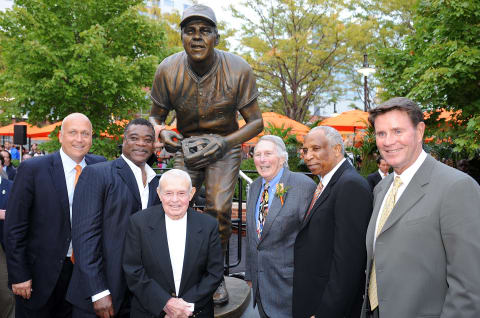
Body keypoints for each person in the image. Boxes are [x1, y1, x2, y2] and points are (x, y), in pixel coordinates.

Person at [148, 4, 263, 304]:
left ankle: (214, 278)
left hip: (225, 145)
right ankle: (177, 275)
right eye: (190, 31)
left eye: (204, 31)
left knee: (219, 209)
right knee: (172, 206)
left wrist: (225, 144)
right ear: (182, 37)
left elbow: (256, 122)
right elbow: (153, 118)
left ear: (217, 37)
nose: (197, 37)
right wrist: (161, 132)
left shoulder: (239, 69)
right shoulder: (167, 69)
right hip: (186, 146)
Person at [361, 97, 480, 318]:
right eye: (381, 133)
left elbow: (470, 286)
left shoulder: (456, 187)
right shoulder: (382, 188)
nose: (388, 141)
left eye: (398, 131)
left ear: (420, 131)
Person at [4, 113, 105, 318]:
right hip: (38, 277)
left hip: (84, 275)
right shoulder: (33, 169)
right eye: (73, 133)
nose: (79, 139)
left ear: (92, 138)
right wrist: (19, 275)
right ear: (60, 136)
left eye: (85, 134)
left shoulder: (101, 167)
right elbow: (15, 226)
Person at [67, 118, 160, 318]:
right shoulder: (97, 174)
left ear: (154, 144)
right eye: (134, 138)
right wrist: (97, 291)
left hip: (138, 295)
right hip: (100, 294)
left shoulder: (156, 183)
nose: (141, 144)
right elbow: (84, 238)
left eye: (147, 139)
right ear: (124, 141)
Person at [293, 126, 373, 318]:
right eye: (305, 150)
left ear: (337, 149)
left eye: (315, 148)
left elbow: (348, 263)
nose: (308, 156)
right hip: (313, 295)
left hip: (326, 305)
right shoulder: (327, 182)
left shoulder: (350, 185)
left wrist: (326, 312)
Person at [123, 169, 223, 317]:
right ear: (159, 193)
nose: (174, 200)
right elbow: (133, 270)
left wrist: (183, 307)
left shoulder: (209, 225)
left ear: (191, 193)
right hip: (150, 311)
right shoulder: (139, 223)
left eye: (181, 193)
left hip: (195, 311)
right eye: (168, 193)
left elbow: (215, 273)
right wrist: (165, 303)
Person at [245, 135, 316, 318]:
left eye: (268, 153)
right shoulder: (253, 188)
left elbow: (313, 240)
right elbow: (254, 237)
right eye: (258, 154)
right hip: (260, 289)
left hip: (289, 289)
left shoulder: (303, 186)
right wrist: (250, 275)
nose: (262, 159)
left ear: (282, 158)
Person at [0, 156, 14, 318]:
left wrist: (7, 214)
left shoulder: (11, 186)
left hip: (4, 247)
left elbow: (22, 212)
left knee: (5, 294)